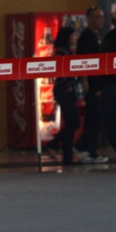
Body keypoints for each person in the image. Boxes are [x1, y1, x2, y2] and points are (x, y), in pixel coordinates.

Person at [73, 6, 109, 164]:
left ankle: (88, 149)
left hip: (99, 84)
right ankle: (85, 147)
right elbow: (82, 62)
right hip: (92, 85)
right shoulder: (86, 38)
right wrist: (85, 83)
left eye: (102, 17)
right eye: (97, 17)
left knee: (95, 119)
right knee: (94, 118)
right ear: (89, 19)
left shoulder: (97, 36)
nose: (100, 20)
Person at [45, 27, 81, 165]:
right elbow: (61, 73)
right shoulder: (61, 53)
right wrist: (69, 85)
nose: (75, 37)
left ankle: (67, 156)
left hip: (64, 91)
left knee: (70, 123)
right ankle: (53, 143)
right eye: (73, 35)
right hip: (64, 91)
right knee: (75, 122)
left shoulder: (65, 51)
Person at [100, 9, 116, 171]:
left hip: (111, 85)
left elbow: (102, 64)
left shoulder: (109, 38)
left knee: (109, 121)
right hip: (111, 85)